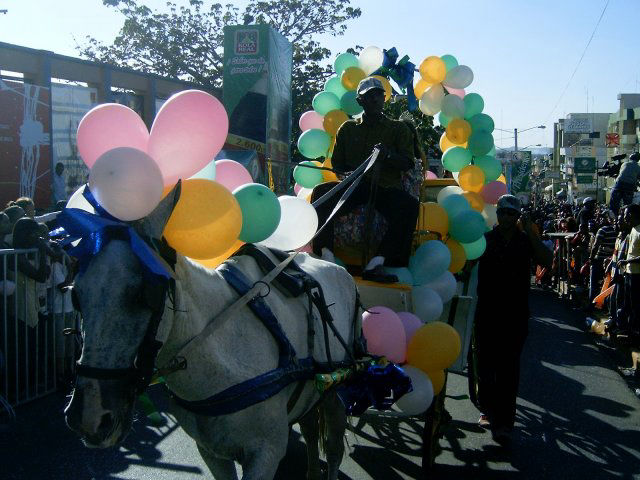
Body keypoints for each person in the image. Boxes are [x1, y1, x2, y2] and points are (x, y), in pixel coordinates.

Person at [312, 77, 420, 282]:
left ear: (384, 99)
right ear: (360, 101)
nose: (374, 99)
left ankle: (378, 263)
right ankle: (326, 255)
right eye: (368, 96)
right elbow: (338, 165)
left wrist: (387, 155)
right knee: (320, 193)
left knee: (410, 206)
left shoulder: (398, 129)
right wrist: (352, 172)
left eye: (378, 95)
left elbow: (407, 162)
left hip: (385, 188)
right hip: (355, 186)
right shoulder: (347, 128)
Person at [468, 194, 552, 445]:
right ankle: (488, 410)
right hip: (487, 312)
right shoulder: (486, 240)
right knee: (486, 365)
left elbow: (547, 261)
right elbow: (468, 264)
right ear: (498, 214)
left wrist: (530, 232)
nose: (506, 217)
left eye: (511, 214)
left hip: (515, 314)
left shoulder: (526, 241)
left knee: (508, 369)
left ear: (518, 217)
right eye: (503, 212)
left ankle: (504, 421)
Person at [617, 203, 640, 336]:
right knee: (628, 305)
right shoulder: (633, 229)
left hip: (637, 275)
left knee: (636, 306)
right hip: (629, 273)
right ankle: (629, 331)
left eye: (626, 215)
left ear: (631, 215)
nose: (624, 218)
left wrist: (627, 261)